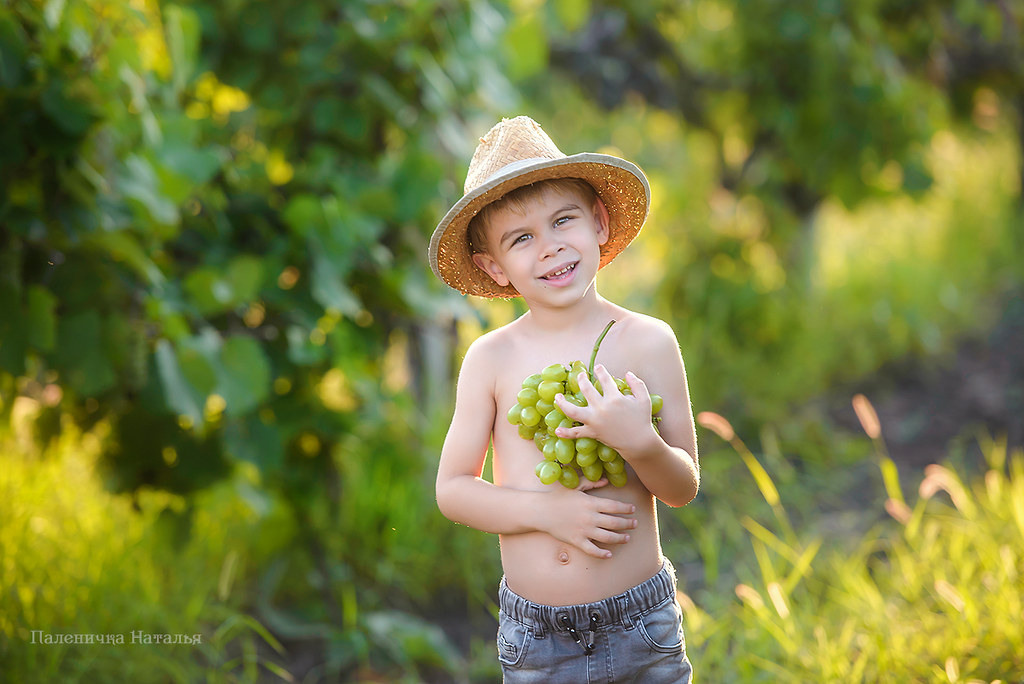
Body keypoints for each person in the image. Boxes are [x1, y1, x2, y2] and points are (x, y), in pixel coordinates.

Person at [430, 115, 700, 683]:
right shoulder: (490, 359)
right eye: (521, 238)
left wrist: (640, 443)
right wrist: (547, 512)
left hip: (641, 626)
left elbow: (682, 487)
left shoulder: (649, 342)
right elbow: (453, 490)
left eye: (564, 220)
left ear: (599, 223)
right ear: (493, 266)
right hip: (537, 640)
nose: (550, 247)